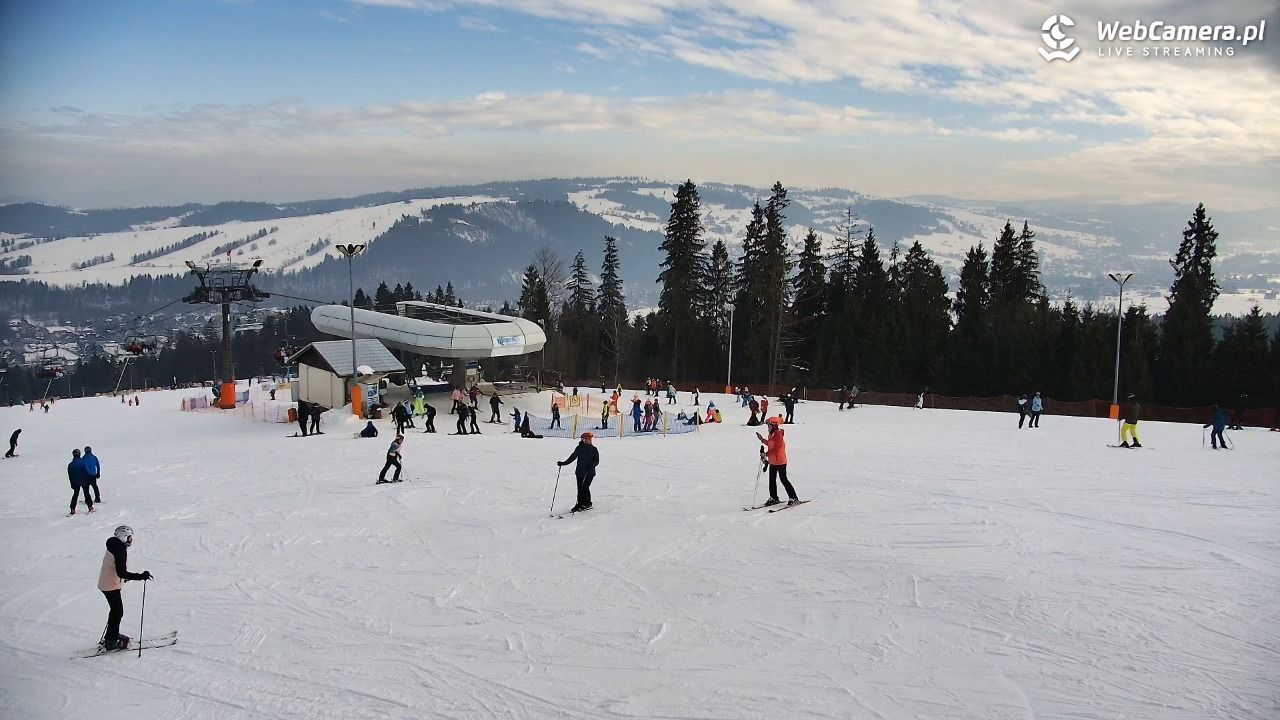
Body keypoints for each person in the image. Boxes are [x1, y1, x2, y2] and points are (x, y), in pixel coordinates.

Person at [97, 525, 152, 652]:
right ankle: (111, 642)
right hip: (110, 585)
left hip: (109, 583)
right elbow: (121, 572)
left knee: (115, 611)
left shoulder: (115, 545)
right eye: (129, 537)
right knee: (117, 612)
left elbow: (117, 569)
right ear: (123, 537)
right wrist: (141, 576)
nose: (131, 540)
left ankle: (112, 636)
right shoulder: (119, 549)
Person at [757, 417, 799, 507]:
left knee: (784, 480)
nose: (768, 427)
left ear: (774, 425)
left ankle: (794, 498)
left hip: (780, 461)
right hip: (773, 462)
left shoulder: (778, 434)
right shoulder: (771, 434)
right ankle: (774, 497)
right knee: (772, 480)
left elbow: (776, 449)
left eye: (769, 425)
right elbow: (770, 444)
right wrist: (762, 440)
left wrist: (766, 454)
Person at [557, 432, 600, 513]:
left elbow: (597, 461)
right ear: (583, 440)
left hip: (590, 473)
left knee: (585, 487)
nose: (589, 441)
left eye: (590, 439)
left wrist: (592, 465)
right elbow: (572, 457)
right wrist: (563, 463)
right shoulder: (579, 448)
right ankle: (580, 504)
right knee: (580, 488)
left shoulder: (594, 449)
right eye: (587, 439)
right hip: (580, 472)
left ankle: (587, 503)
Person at [67, 448, 94, 515]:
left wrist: (72, 484)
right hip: (84, 481)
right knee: (87, 494)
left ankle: (72, 509)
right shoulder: (83, 462)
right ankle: (90, 507)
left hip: (75, 482)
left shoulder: (70, 465)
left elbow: (70, 476)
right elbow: (86, 472)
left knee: (75, 495)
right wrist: (88, 480)